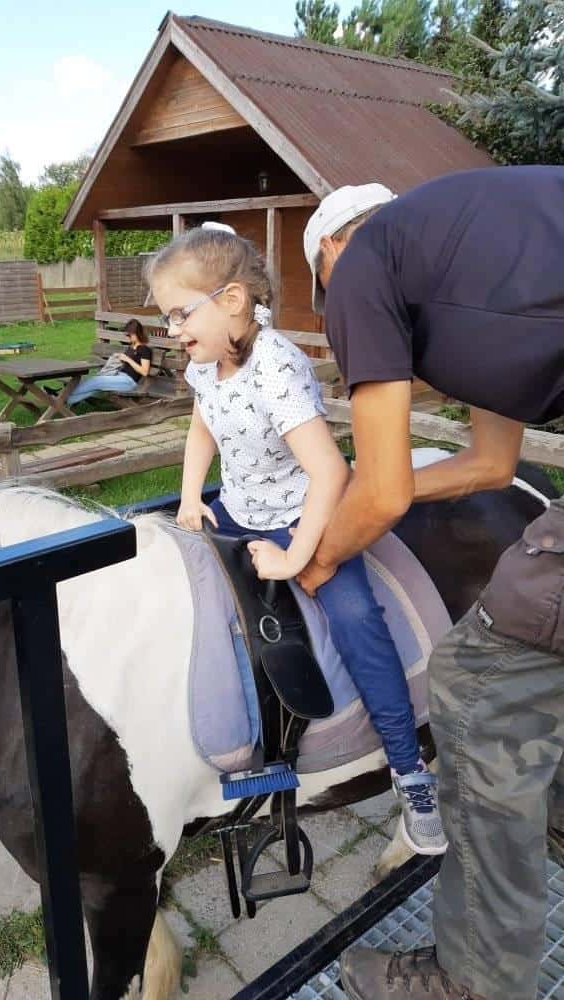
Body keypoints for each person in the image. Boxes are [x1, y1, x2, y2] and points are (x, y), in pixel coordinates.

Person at [302, 166, 564, 1000]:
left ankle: (474, 982)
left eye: (320, 294)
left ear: (331, 250)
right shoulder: (471, 245)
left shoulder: (363, 261)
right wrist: (372, 493)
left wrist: (318, 556)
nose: (335, 318)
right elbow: (490, 463)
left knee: (476, 678)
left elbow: (382, 492)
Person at [147, 224, 447, 855]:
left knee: (359, 621)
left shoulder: (275, 367)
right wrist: (193, 495)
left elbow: (330, 472)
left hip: (300, 513)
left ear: (231, 300)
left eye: (179, 313)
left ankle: (409, 768)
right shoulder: (209, 362)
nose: (172, 329)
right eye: (168, 317)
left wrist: (297, 556)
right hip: (237, 509)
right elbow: (204, 427)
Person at [66, 318, 152, 405]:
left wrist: (128, 359)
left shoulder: (144, 350)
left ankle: (63, 397)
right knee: (94, 383)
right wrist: (119, 358)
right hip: (119, 375)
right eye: (127, 335)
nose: (128, 337)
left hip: (129, 382)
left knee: (96, 381)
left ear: (137, 333)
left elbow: (144, 372)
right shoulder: (132, 346)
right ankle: (65, 401)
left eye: (130, 335)